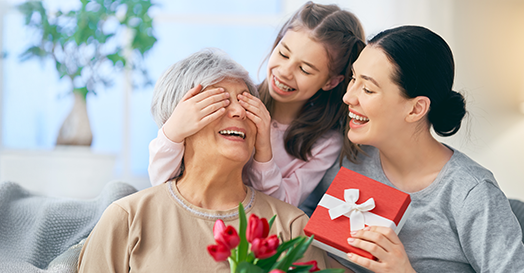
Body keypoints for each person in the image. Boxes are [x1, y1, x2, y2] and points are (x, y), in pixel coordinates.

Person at [76, 49, 355, 273]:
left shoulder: (289, 225)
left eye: (246, 103)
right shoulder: (127, 218)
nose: (237, 111)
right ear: (180, 119)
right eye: (218, 101)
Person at [305, 26, 524, 273]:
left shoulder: (469, 192)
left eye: (368, 89)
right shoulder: (349, 158)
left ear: (416, 109)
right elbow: (297, 221)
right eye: (353, 78)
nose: (349, 97)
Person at [147, 1, 365, 207]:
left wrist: (263, 151)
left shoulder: (324, 143)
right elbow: (164, 184)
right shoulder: (236, 103)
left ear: (331, 82)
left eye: (305, 69)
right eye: (283, 53)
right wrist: (173, 132)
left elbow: (281, 208)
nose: (284, 72)